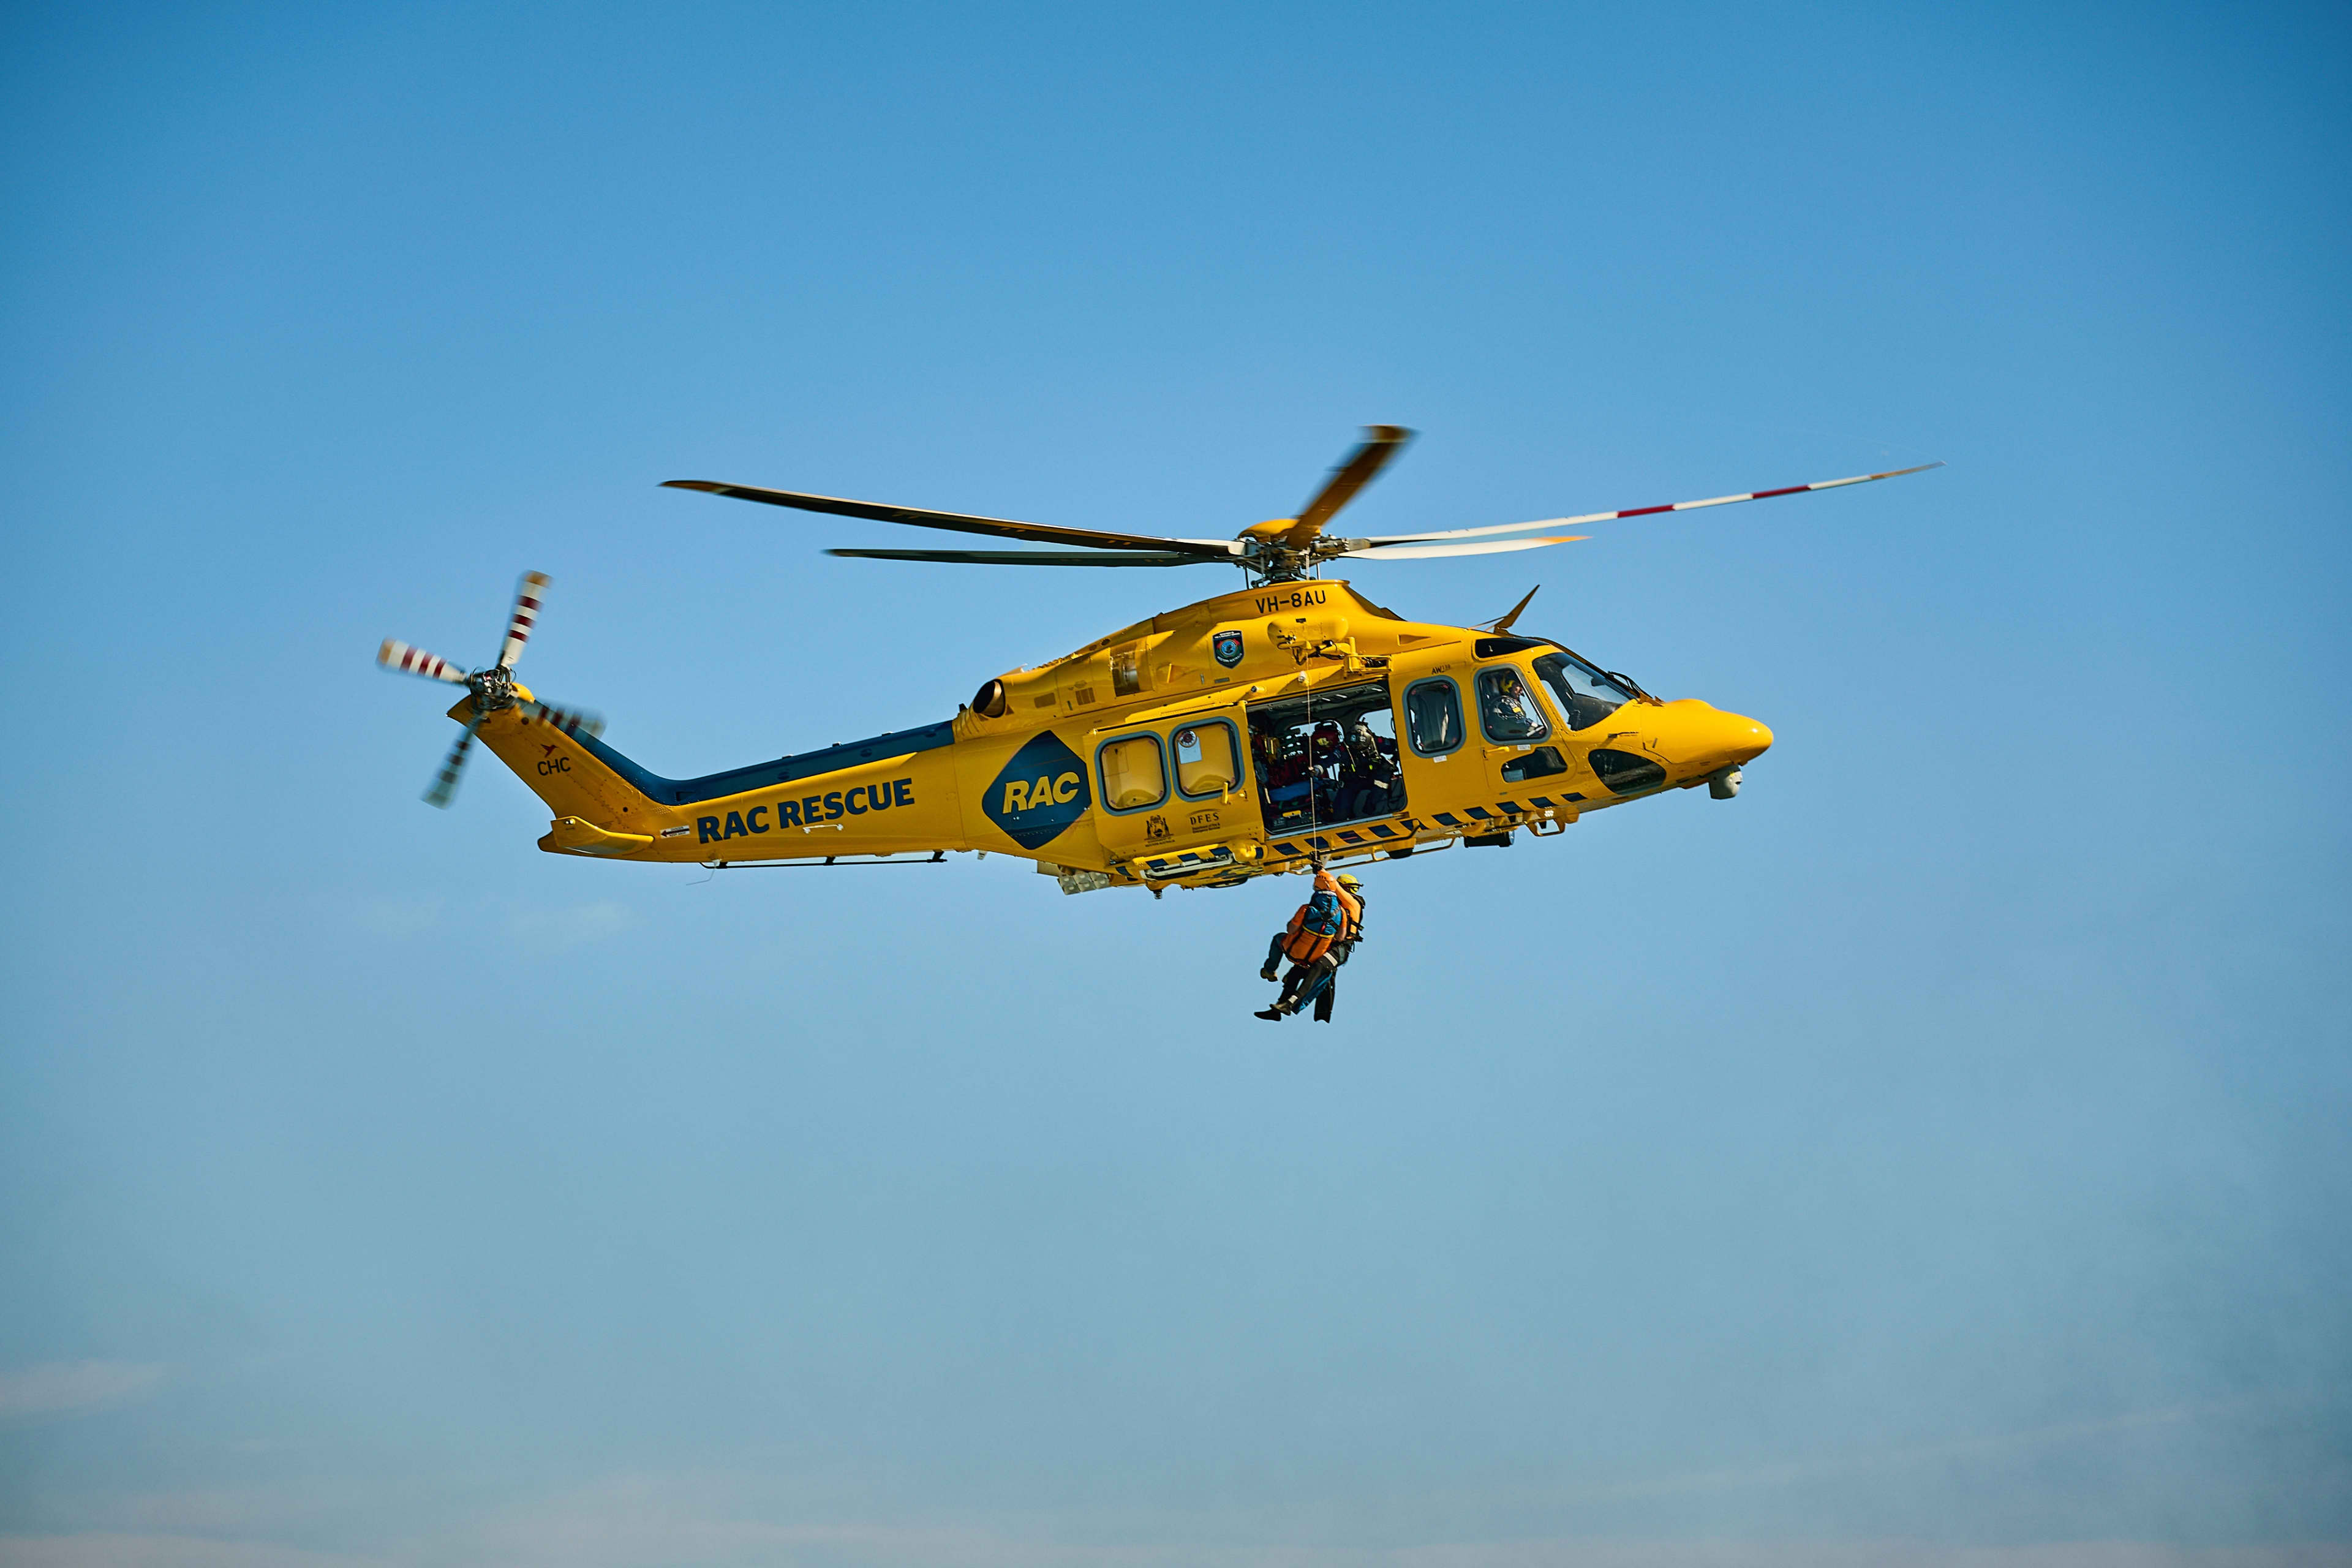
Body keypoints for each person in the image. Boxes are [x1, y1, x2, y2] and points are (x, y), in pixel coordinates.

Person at [1256, 868, 1365, 1022]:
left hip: (1341, 950)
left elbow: (1334, 888)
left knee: (1317, 968)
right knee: (1296, 972)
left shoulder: (1354, 904)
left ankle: (1289, 1004)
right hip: (1328, 945)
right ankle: (1278, 1008)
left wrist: (1321, 870)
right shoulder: (1338, 909)